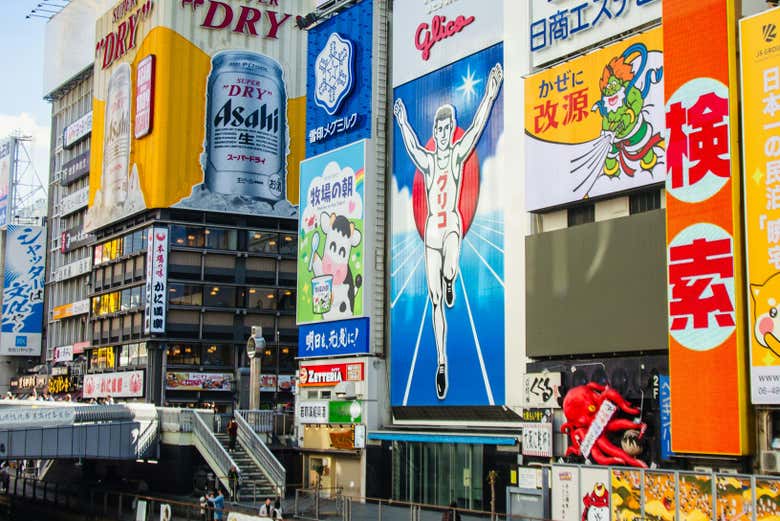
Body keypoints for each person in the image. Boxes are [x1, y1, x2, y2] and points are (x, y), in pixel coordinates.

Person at [393, 62, 503, 400]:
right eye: (438, 127)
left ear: (451, 128)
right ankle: (441, 362)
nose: (442, 132)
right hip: (431, 231)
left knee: (450, 268)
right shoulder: (428, 161)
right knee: (435, 299)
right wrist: (402, 120)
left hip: (451, 223)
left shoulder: (456, 156)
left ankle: (452, 277)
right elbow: (411, 147)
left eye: (447, 127)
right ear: (435, 129)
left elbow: (479, 125)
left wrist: (490, 92)